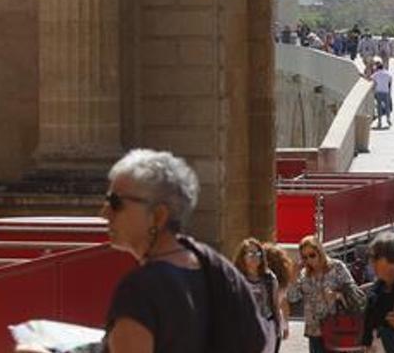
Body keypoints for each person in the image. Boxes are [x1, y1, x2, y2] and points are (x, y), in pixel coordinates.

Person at [95, 149, 267, 353]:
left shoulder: (139, 291)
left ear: (158, 216)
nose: (104, 213)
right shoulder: (220, 270)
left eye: (115, 202)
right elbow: (256, 341)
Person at [284, 236, 366, 353]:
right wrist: (293, 279)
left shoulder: (337, 267)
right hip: (314, 330)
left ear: (320, 251)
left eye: (312, 255)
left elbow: (354, 292)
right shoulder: (304, 274)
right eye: (305, 257)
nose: (309, 260)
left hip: (337, 326)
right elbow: (293, 298)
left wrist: (337, 295)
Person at [234, 238, 283, 353]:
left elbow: (275, 305)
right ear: (243, 257)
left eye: (258, 253)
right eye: (251, 253)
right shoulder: (236, 278)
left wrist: (278, 327)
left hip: (267, 325)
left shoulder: (269, 279)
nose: (255, 257)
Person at [263, 242, 296, 352]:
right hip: (276, 323)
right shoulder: (282, 280)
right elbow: (283, 303)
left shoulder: (259, 278)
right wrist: (286, 326)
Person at [370, 61, 393, 128]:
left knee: (379, 107)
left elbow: (371, 79)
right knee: (387, 106)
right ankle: (388, 119)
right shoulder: (388, 74)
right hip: (386, 91)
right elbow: (390, 82)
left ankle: (379, 122)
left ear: (377, 68)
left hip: (378, 92)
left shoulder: (376, 74)